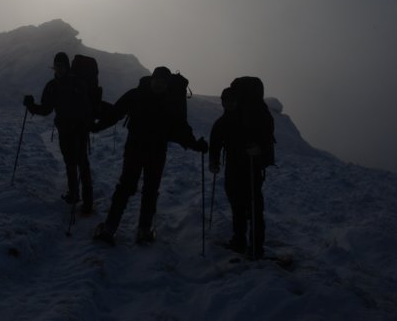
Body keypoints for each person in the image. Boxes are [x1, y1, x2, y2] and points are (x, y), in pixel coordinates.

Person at [91, 66, 208, 245]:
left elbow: (180, 129)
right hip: (137, 150)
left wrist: (195, 145)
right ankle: (113, 228)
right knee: (128, 187)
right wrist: (97, 127)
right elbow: (116, 113)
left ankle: (137, 229)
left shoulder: (167, 101)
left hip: (155, 151)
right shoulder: (138, 94)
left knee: (148, 189)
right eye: (157, 80)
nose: (158, 84)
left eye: (162, 81)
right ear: (152, 79)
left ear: (167, 83)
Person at [209, 80, 274, 259]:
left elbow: (266, 140)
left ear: (238, 100)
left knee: (253, 206)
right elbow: (215, 143)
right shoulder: (224, 122)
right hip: (236, 167)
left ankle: (255, 247)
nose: (228, 104)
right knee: (239, 205)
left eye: (231, 100)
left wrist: (260, 151)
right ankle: (241, 242)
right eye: (225, 101)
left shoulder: (249, 119)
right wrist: (213, 161)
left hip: (251, 167)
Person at [23, 52, 94, 214]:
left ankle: (87, 201)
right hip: (66, 130)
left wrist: (84, 124)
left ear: (67, 66)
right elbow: (46, 109)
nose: (59, 69)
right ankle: (75, 194)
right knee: (71, 161)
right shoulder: (54, 86)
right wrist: (31, 106)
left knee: (81, 163)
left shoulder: (73, 84)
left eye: (61, 66)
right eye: (57, 66)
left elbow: (86, 107)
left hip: (79, 129)